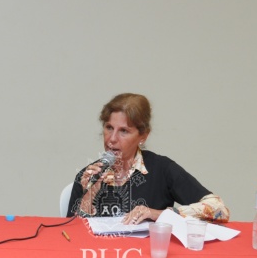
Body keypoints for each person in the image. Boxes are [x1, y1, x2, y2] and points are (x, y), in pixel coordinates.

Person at [67, 93, 229, 223]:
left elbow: (219, 209)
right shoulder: (89, 175)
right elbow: (71, 235)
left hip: (148, 253)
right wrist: (88, 196)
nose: (112, 139)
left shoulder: (162, 169)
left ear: (143, 136)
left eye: (124, 131)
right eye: (109, 128)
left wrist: (159, 214)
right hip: (102, 252)